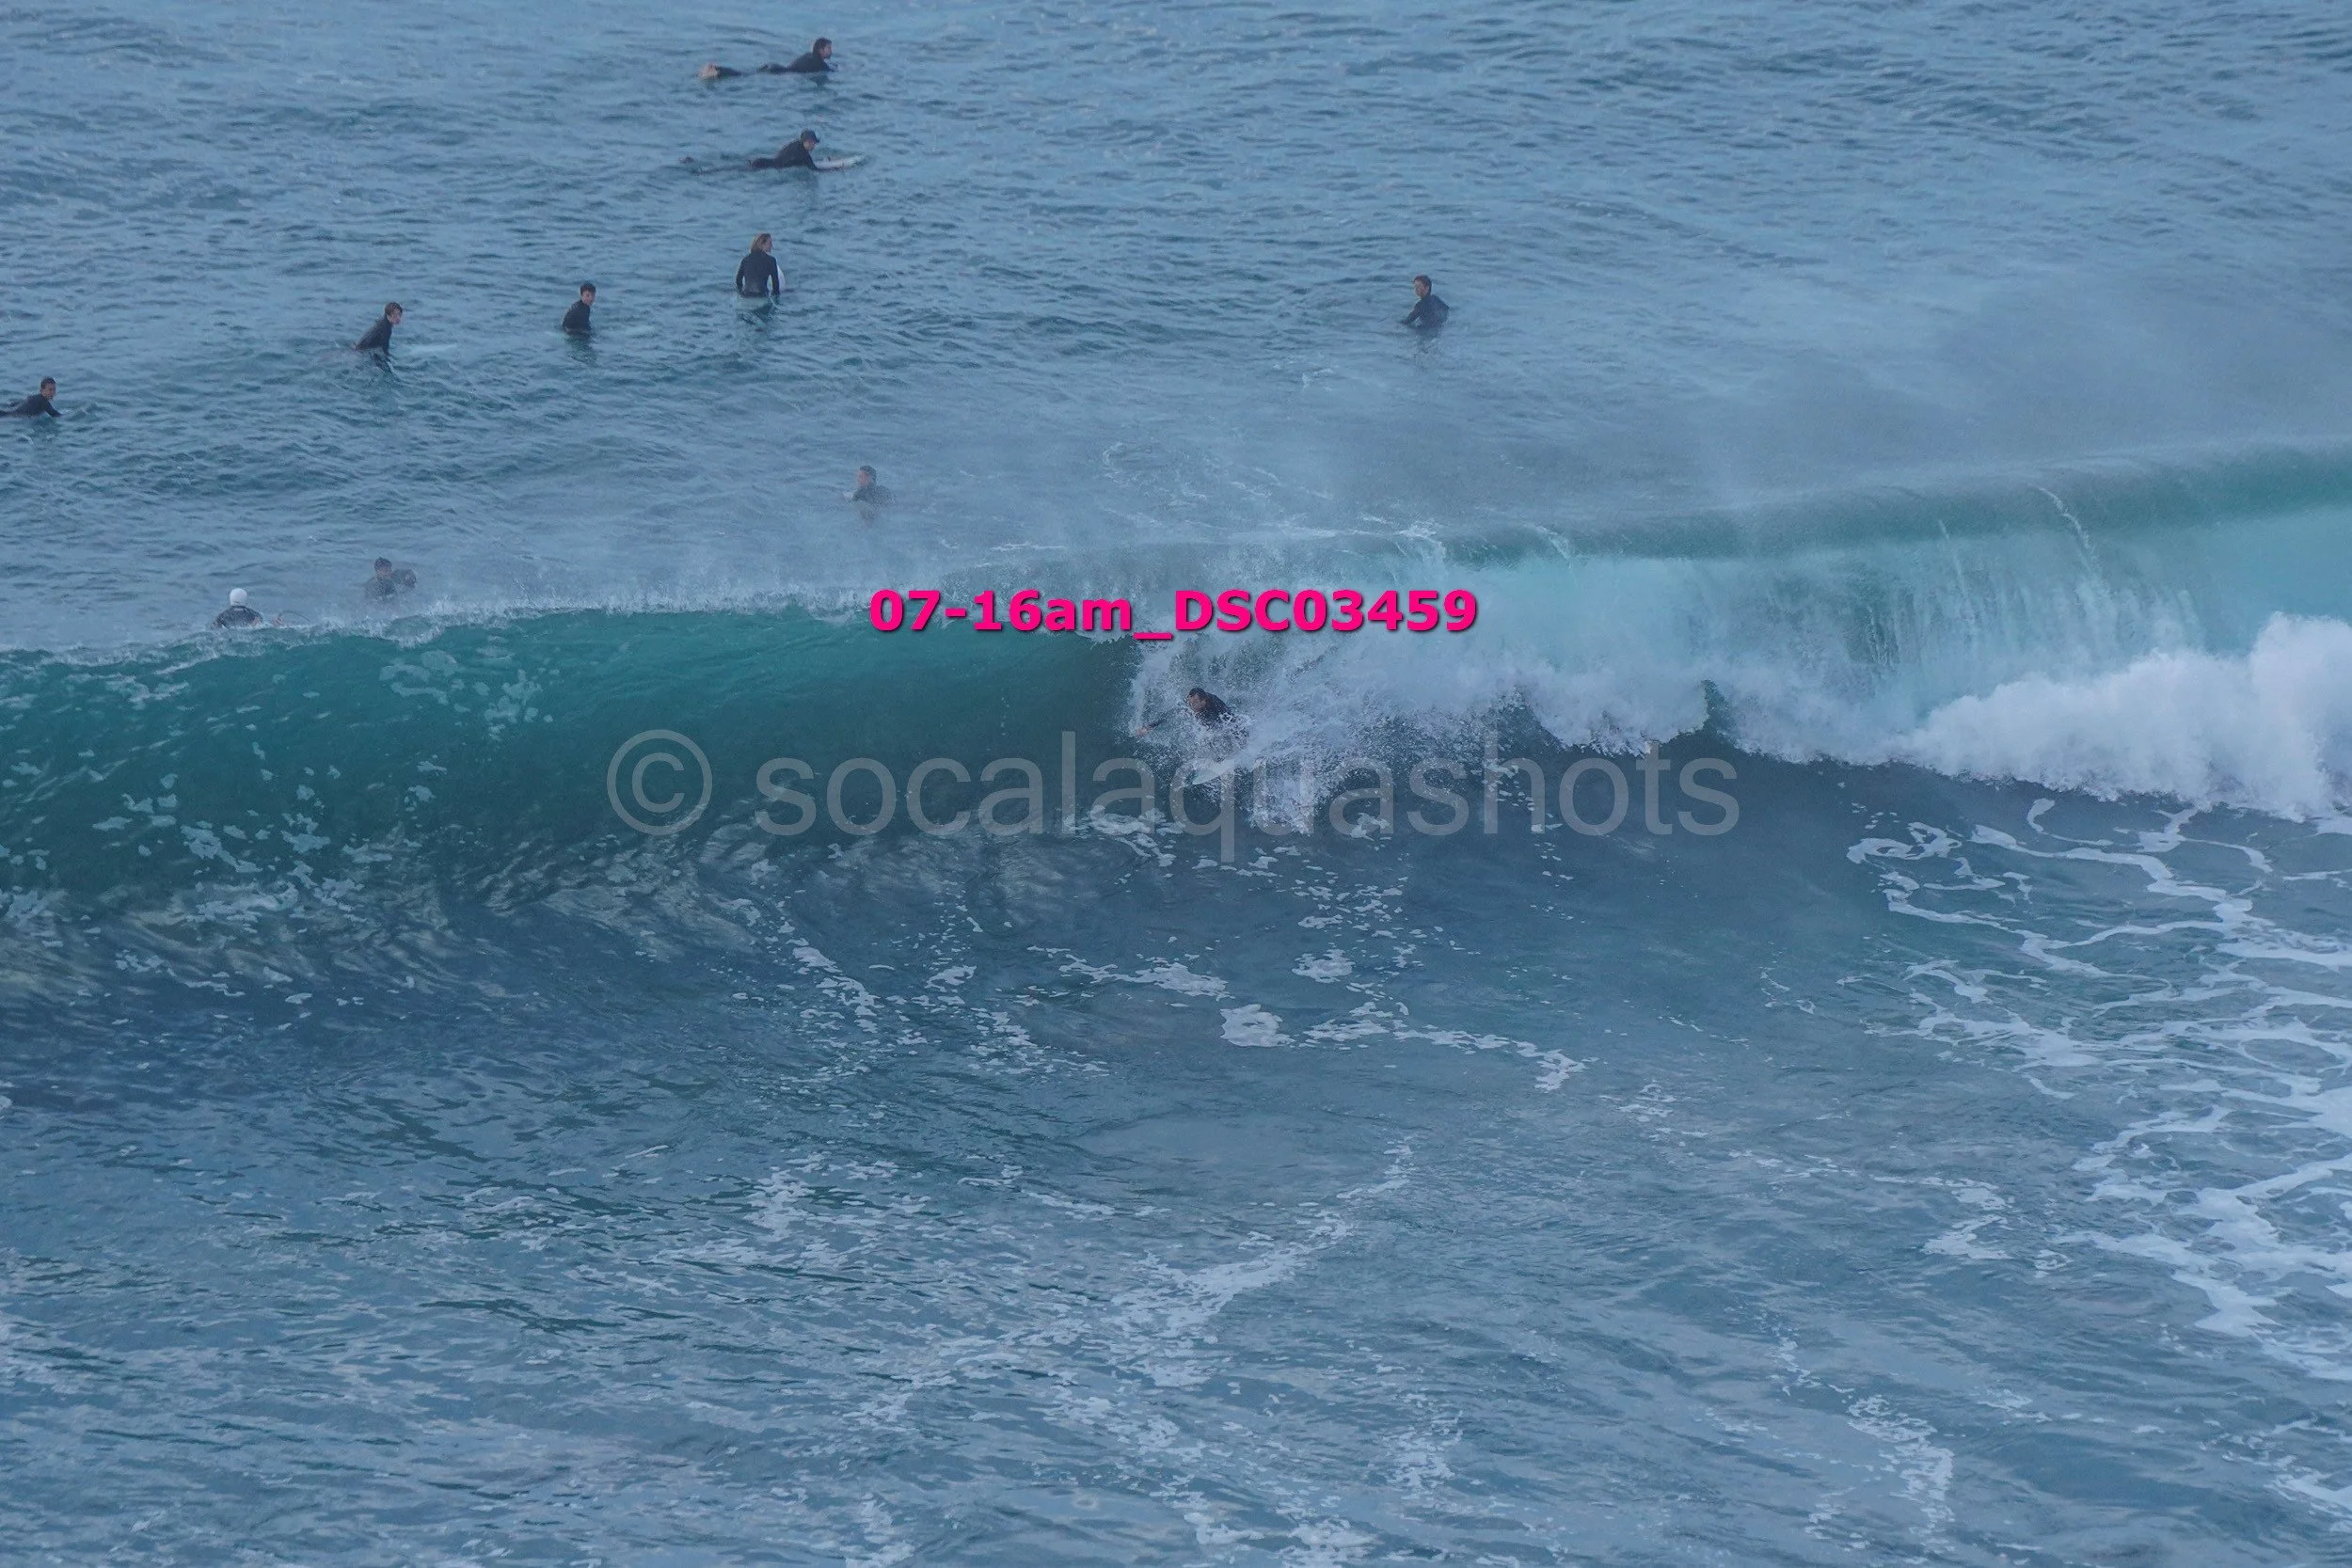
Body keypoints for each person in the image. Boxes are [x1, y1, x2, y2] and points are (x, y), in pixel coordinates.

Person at [1137, 688, 1236, 736]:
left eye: (1195, 703)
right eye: (1190, 703)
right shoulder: (1190, 702)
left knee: (1214, 728)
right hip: (1203, 714)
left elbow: (1232, 721)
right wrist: (1149, 727)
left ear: (1204, 701)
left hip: (1212, 715)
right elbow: (1171, 714)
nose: (1191, 706)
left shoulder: (1216, 705)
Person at [736, 233, 783, 297]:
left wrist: (741, 292)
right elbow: (776, 286)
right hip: (762, 295)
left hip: (746, 295)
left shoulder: (746, 259)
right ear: (762, 244)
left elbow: (738, 280)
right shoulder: (771, 260)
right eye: (770, 243)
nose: (772, 246)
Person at [749, 131, 820, 170]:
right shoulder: (803, 155)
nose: (813, 145)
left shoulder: (795, 144)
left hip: (763, 161)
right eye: (810, 142)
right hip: (768, 167)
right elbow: (814, 170)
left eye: (814, 142)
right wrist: (831, 170)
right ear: (803, 141)